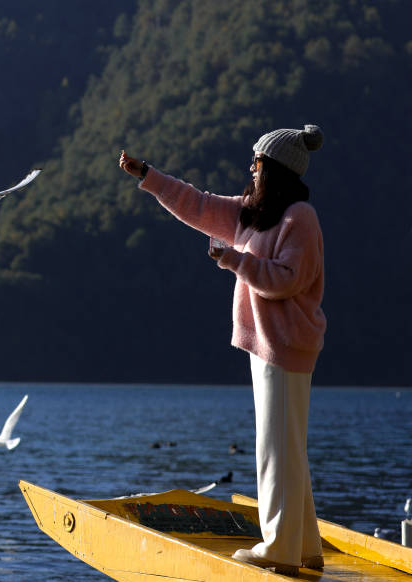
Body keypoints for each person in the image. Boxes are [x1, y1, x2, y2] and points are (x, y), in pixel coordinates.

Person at [119, 125, 326, 577]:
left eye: (257, 162)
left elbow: (287, 280)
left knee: (276, 449)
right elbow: (197, 204)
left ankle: (280, 550)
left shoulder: (299, 218)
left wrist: (233, 259)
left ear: (275, 170)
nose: (250, 169)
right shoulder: (253, 214)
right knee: (288, 446)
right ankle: (306, 547)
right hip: (269, 346)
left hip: (286, 346)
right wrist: (148, 175)